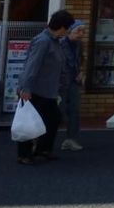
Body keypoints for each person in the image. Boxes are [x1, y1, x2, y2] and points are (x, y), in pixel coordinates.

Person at [16, 10, 75, 164]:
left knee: (53, 118)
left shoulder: (55, 42)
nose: (68, 31)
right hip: (35, 90)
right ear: (61, 27)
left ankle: (43, 149)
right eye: (67, 28)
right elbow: (32, 65)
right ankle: (24, 154)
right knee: (29, 121)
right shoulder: (43, 41)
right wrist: (26, 88)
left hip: (48, 90)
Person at [59, 21, 85, 151]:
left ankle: (71, 139)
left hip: (73, 81)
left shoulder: (79, 45)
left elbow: (80, 60)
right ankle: (40, 140)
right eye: (78, 31)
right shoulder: (60, 44)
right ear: (70, 31)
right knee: (58, 111)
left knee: (74, 110)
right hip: (60, 82)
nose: (81, 34)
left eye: (83, 31)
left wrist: (81, 71)